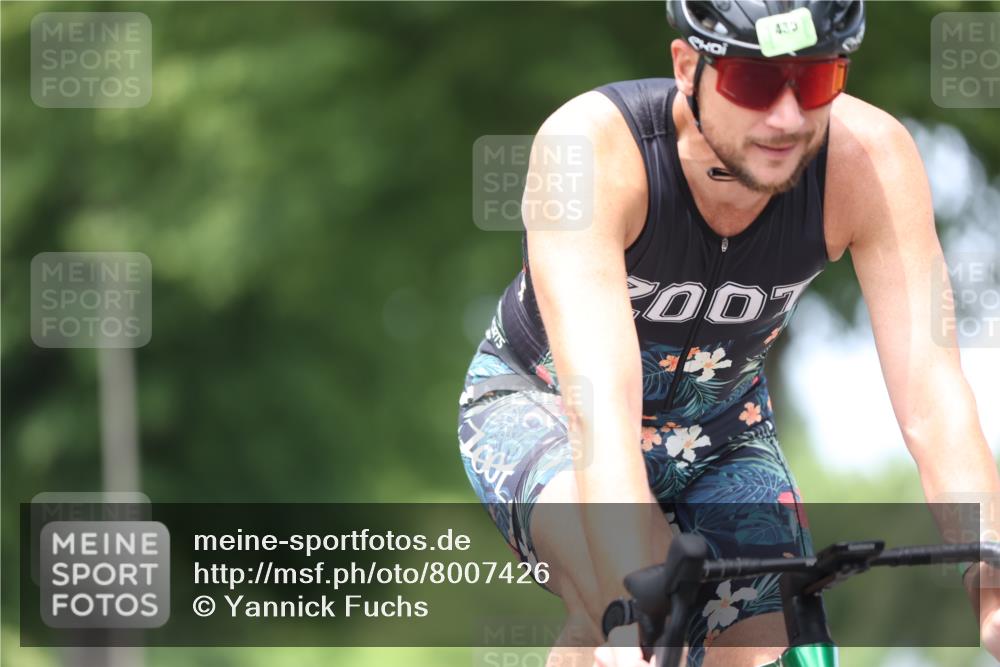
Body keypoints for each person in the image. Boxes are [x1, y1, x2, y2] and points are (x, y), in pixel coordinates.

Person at [456, 2, 1000, 665]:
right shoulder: (591, 150)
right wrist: (629, 621)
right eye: (754, 82)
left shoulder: (870, 160)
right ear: (688, 67)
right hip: (547, 407)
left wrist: (990, 585)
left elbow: (933, 399)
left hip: (722, 428)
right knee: (648, 619)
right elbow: (600, 408)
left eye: (817, 79)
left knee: (783, 651)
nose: (787, 118)